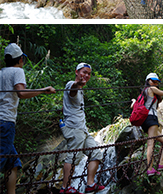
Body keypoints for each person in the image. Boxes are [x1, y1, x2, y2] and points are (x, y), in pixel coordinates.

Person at [0, 43, 56, 194]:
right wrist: (43, 90)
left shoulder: (1, 72)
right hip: (6, 122)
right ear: (20, 60)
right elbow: (22, 93)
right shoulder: (17, 71)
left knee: (13, 163)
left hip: (2, 121)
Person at [60, 63, 105, 194]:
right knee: (73, 156)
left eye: (88, 74)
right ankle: (65, 188)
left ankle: (90, 184)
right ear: (76, 72)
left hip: (82, 129)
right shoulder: (71, 84)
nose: (86, 75)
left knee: (96, 153)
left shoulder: (81, 89)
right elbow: (72, 90)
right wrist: (78, 84)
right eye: (84, 72)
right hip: (74, 129)